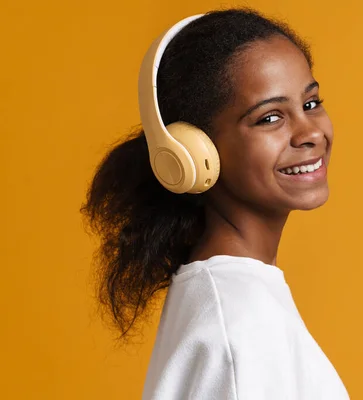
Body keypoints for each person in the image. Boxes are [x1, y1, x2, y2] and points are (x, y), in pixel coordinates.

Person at [81, 8, 349, 399]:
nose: (310, 132)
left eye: (310, 104)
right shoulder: (240, 322)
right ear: (194, 151)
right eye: (270, 117)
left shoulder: (229, 296)